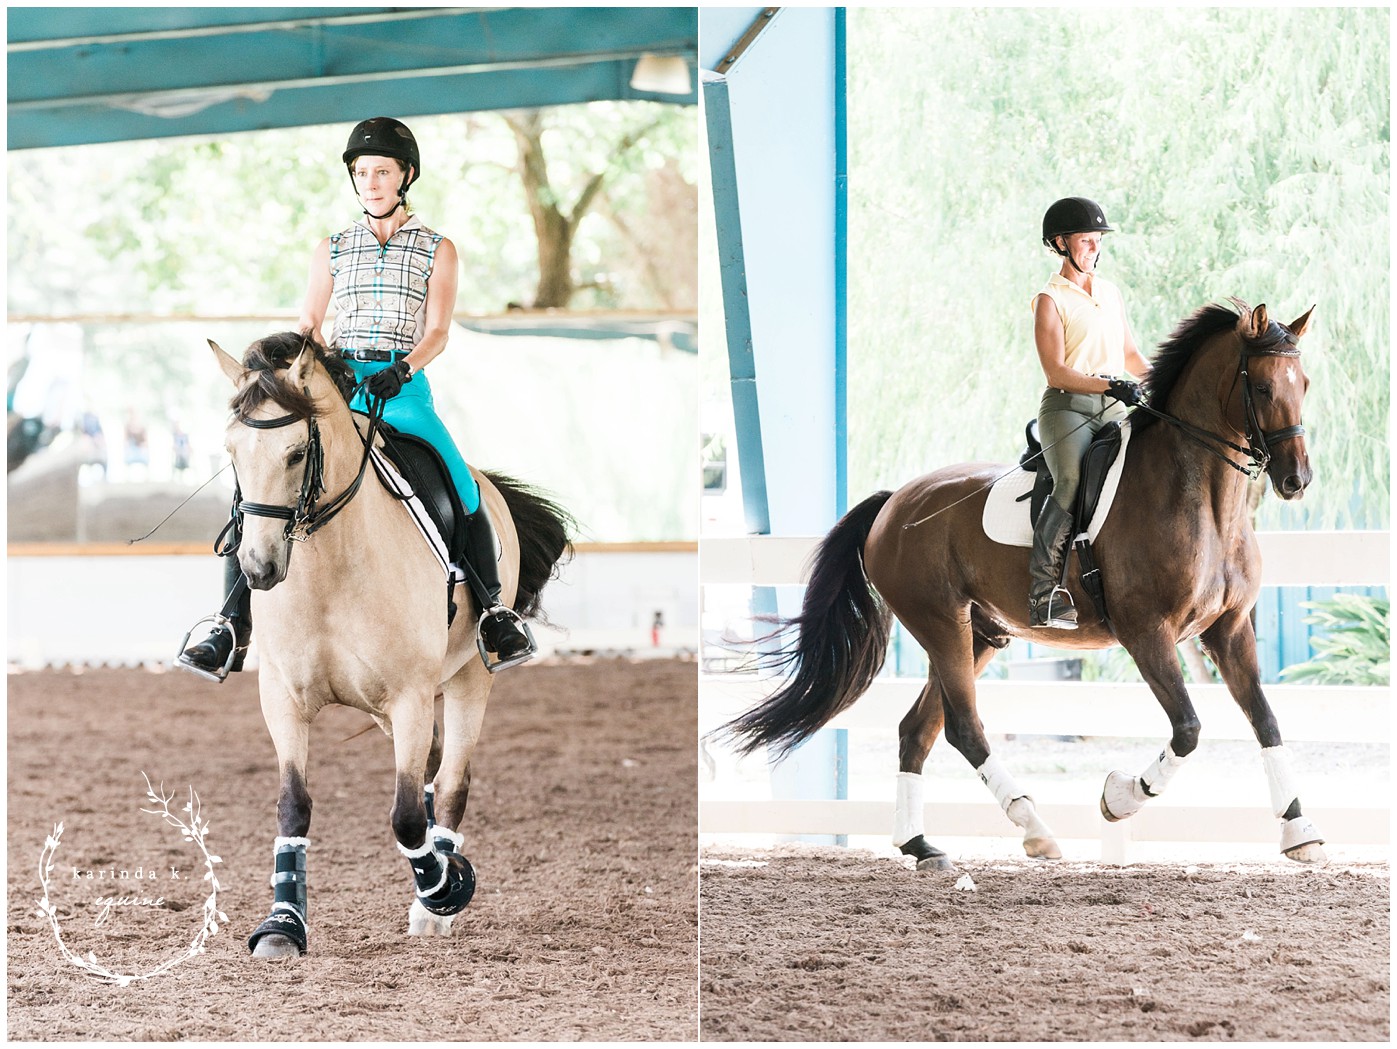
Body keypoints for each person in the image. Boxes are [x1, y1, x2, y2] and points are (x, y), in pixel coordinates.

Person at [177, 116, 533, 680]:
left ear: (406, 176)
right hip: (338, 391)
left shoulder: (437, 249)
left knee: (461, 486)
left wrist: (403, 369)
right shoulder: (332, 249)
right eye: (362, 172)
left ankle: (493, 612)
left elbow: (438, 331)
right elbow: (311, 323)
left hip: (404, 391)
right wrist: (296, 365)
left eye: (382, 171)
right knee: (262, 483)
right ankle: (229, 623)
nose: (370, 182)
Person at [1028, 196, 1151, 629]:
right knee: (1072, 480)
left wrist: (1163, 381)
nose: (1094, 247)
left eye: (1098, 240)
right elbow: (1056, 371)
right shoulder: (1049, 299)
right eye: (1086, 240)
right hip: (1069, 407)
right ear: (1060, 243)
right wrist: (1108, 384)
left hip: (1116, 405)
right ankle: (1043, 593)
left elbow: (1131, 355)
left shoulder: (1110, 292)